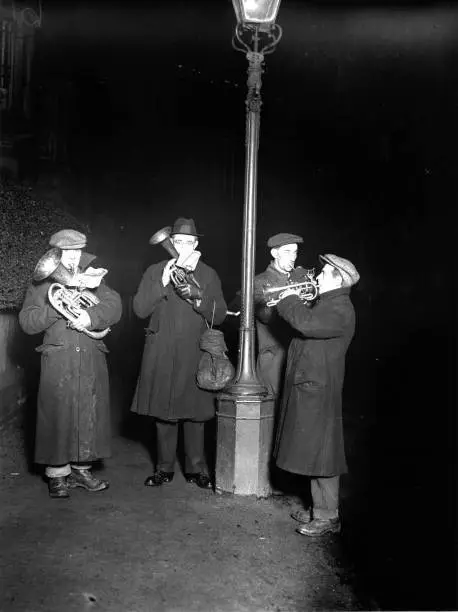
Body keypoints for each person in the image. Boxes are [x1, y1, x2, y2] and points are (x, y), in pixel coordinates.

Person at [19, 229, 122, 499]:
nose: (73, 257)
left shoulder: (95, 278)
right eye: (67, 253)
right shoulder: (41, 285)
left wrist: (90, 317)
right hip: (59, 357)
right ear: (55, 255)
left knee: (87, 413)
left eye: (77, 251)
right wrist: (56, 307)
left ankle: (81, 470)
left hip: (90, 354)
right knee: (56, 415)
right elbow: (27, 323)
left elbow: (115, 306)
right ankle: (57, 474)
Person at [130, 217, 227, 490]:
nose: (181, 247)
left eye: (187, 242)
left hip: (194, 350)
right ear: (171, 243)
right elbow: (139, 309)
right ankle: (163, 469)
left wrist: (198, 298)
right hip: (161, 349)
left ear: (196, 244)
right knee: (164, 413)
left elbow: (219, 315)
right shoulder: (154, 270)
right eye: (177, 242)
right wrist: (161, 282)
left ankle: (197, 469)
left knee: (195, 414)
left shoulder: (208, 274)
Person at [273, 253, 360, 536]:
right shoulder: (328, 303)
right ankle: (320, 508)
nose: (318, 277)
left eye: (324, 273)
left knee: (324, 454)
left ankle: (328, 516)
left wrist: (287, 298)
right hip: (311, 384)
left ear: (338, 279)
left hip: (319, 388)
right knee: (315, 452)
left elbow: (307, 324)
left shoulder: (341, 308)